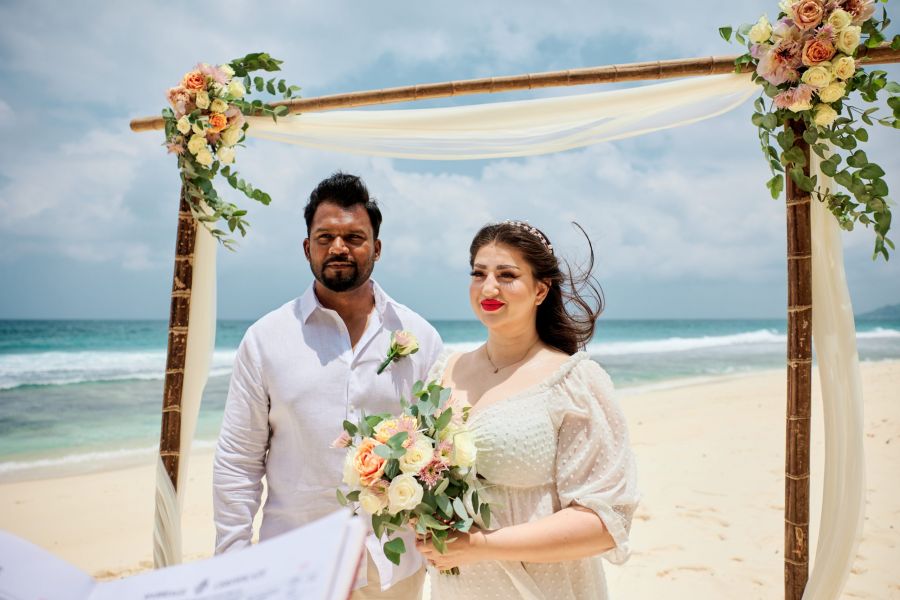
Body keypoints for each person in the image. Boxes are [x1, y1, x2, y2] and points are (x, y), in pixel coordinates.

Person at [213, 172, 442, 599]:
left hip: (392, 567)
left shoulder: (419, 336)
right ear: (307, 248)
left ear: (376, 247)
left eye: (354, 237)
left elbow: (437, 453)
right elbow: (238, 460)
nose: (339, 247)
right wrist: (234, 560)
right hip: (296, 563)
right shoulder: (266, 339)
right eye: (325, 237)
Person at [417, 220, 638, 599]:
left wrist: (481, 546)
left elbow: (604, 523)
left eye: (507, 275)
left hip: (541, 587)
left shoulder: (574, 381)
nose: (489, 288)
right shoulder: (444, 372)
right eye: (479, 273)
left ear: (540, 289)